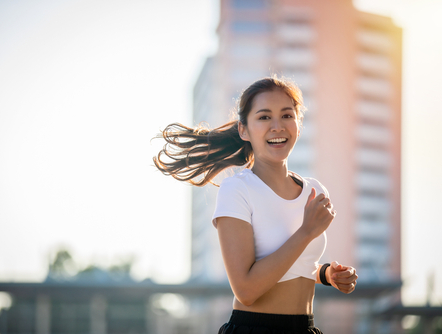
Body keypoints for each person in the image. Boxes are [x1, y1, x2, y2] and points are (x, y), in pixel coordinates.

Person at [153, 76, 358, 334]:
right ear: (243, 130)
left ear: (299, 123)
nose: (277, 126)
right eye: (263, 117)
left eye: (286, 115)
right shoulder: (237, 189)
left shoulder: (313, 190)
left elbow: (292, 264)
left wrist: (326, 274)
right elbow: (247, 289)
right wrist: (307, 232)